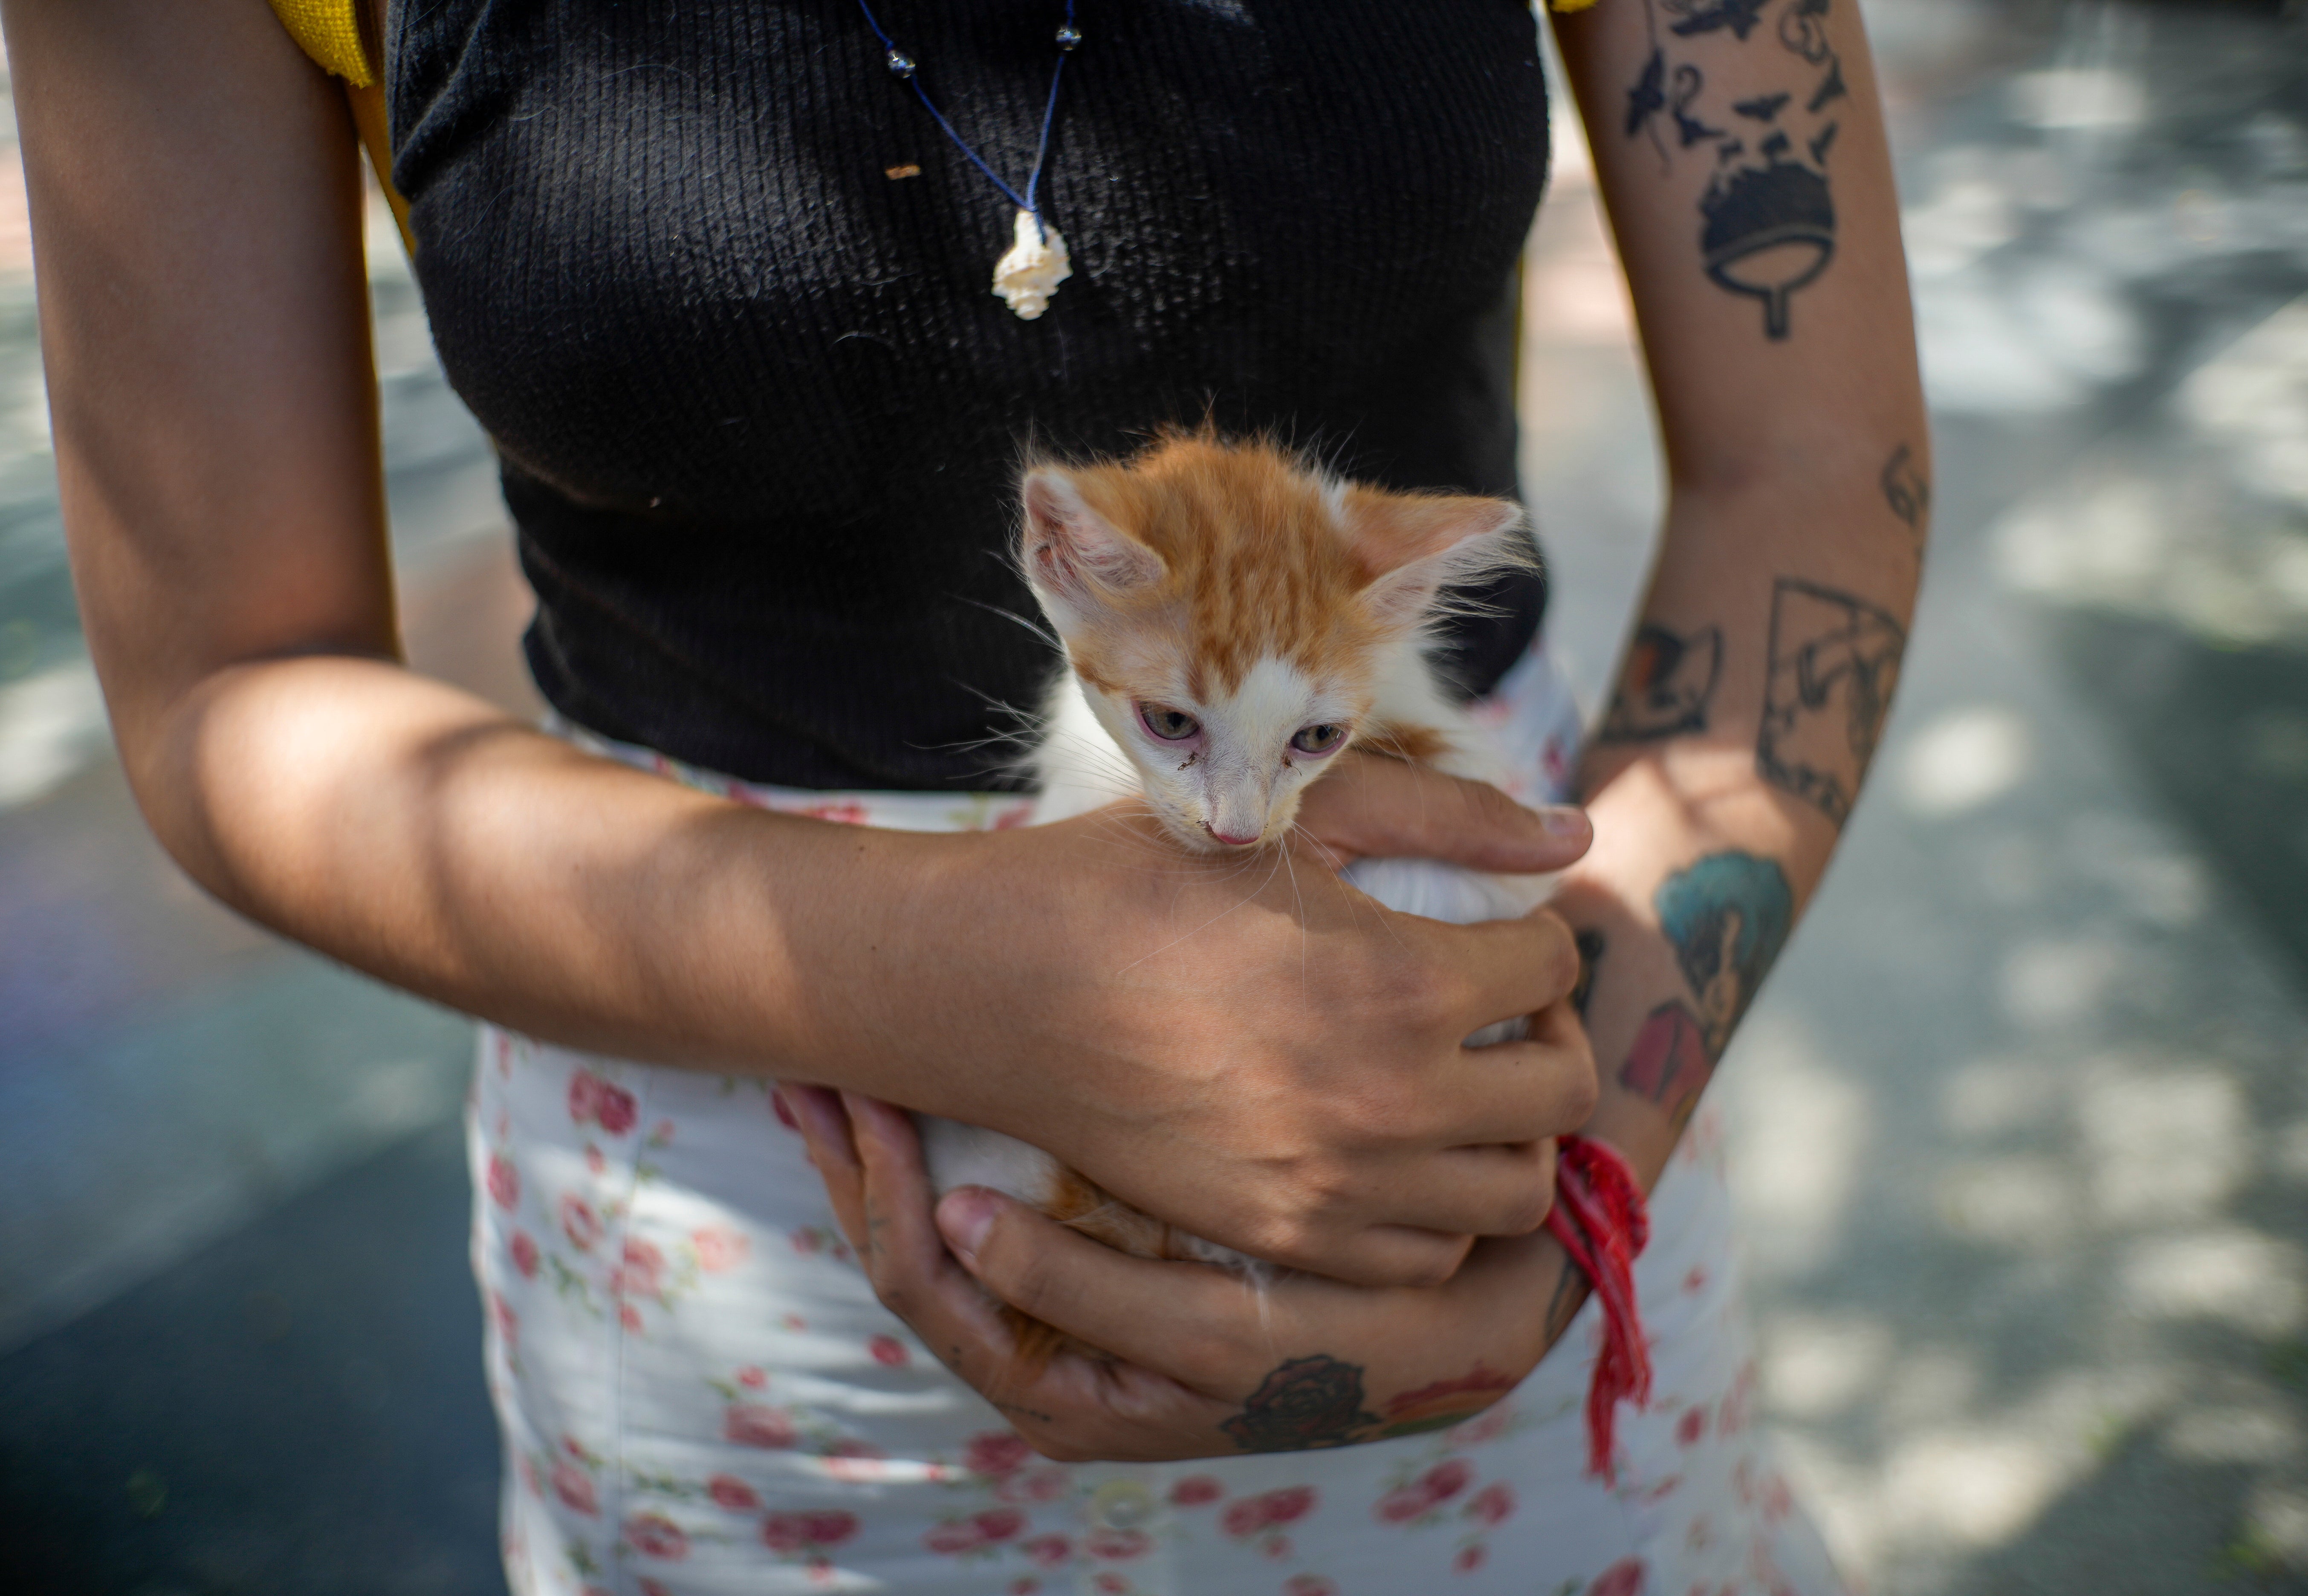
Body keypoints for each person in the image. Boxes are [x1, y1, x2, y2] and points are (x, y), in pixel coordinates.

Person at [9, 0, 1925, 1588]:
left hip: (1476, 1160)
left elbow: (1813, 470)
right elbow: (225, 692)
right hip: (761, 1319)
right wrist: (970, 986)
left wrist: (1583, 1144)